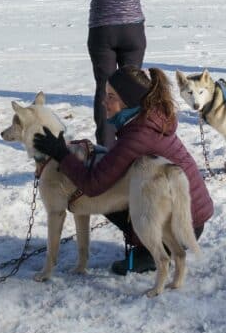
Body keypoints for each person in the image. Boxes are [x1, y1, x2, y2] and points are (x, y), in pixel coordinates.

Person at [32, 66, 213, 275]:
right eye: (105, 95)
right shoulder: (148, 118)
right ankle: (149, 242)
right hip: (192, 215)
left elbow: (94, 185)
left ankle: (150, 252)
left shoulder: (138, 134)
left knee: (103, 187)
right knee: (112, 176)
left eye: (111, 97)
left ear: (128, 101)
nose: (104, 102)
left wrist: (61, 154)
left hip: (181, 223)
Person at [79, 0, 153, 147]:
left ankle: (106, 145)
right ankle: (135, 141)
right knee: (134, 87)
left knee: (105, 89)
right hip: (132, 29)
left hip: (102, 30)